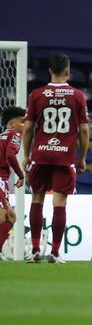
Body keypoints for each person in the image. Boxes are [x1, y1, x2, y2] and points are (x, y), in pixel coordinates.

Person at [22, 53, 89, 263]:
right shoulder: (77, 96)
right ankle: (55, 252)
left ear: (49, 71)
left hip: (40, 154)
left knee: (36, 199)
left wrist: (26, 155)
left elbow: (28, 129)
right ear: (68, 71)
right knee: (59, 204)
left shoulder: (36, 94)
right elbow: (84, 131)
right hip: (64, 156)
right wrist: (82, 157)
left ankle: (34, 250)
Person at [0, 106, 25, 257]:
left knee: (11, 216)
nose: (26, 125)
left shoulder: (3, 135)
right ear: (12, 124)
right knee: (2, 216)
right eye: (23, 122)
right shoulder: (14, 134)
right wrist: (21, 175)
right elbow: (10, 155)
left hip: (2, 179)